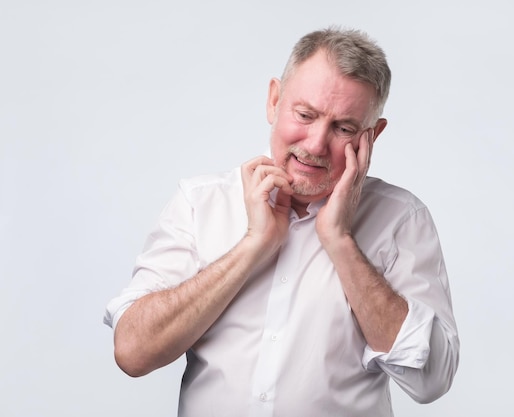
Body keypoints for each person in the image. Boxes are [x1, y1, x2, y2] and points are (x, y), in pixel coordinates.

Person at [104, 27, 459, 417]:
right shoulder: (199, 203)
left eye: (344, 128)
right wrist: (252, 246)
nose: (315, 144)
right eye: (305, 115)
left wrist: (340, 241)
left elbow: (430, 380)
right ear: (274, 100)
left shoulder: (401, 220)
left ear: (372, 136)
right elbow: (133, 353)